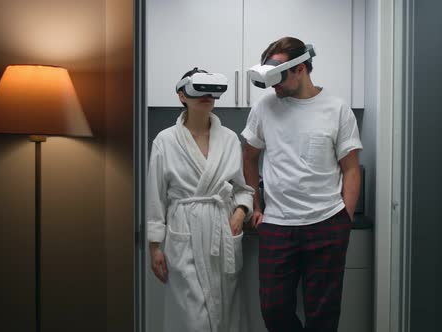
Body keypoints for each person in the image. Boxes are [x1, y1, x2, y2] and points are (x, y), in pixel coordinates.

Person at [241, 37, 363, 332]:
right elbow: (249, 158)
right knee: (273, 310)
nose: (274, 86)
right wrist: (256, 204)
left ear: (302, 68)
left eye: (278, 76)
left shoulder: (336, 109)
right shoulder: (264, 109)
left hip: (326, 223)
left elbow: (351, 168)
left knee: (323, 314)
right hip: (278, 225)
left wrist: (343, 219)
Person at [146, 67, 254, 332]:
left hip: (222, 231)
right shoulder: (166, 141)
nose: (206, 95)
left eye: (211, 89)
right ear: (182, 95)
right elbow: (155, 195)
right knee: (193, 320)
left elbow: (242, 188)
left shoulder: (229, 139)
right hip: (185, 233)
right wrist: (154, 247)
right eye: (199, 88)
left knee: (226, 312)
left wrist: (240, 211)